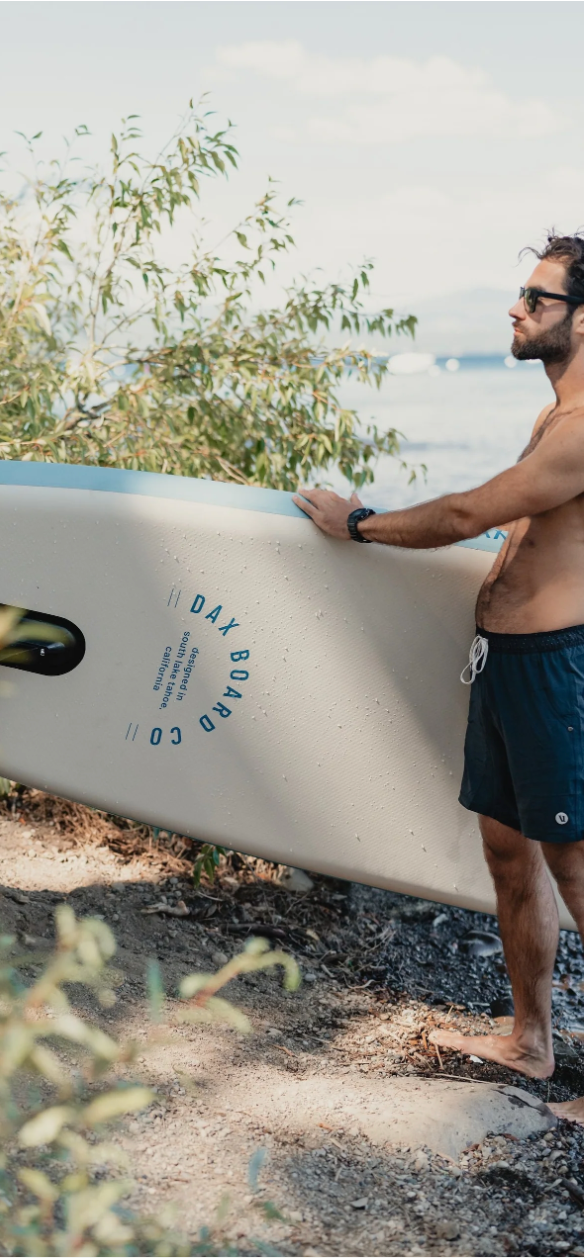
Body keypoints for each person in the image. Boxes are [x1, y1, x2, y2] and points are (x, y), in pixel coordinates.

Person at [293, 233, 584, 1124]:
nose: (516, 309)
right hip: (507, 663)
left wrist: (360, 522)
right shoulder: (557, 411)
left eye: (537, 299)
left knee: (577, 868)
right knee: (507, 853)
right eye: (521, 295)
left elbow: (465, 512)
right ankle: (530, 1041)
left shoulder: (582, 426)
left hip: (555, 672)